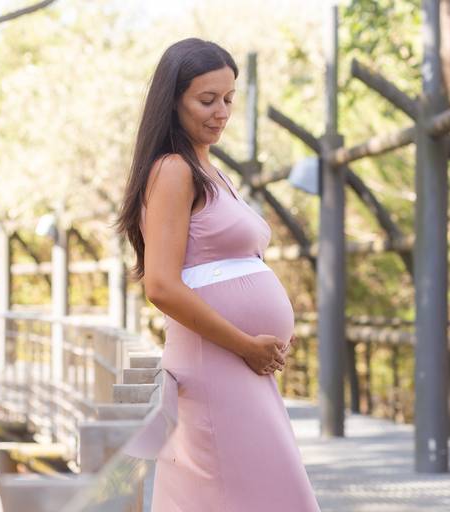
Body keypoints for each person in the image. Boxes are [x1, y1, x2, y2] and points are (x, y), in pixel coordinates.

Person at [115, 38, 321, 512]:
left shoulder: (209, 167)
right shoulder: (172, 170)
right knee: (262, 494)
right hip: (218, 362)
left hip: (234, 363)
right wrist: (246, 344)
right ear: (173, 101)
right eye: (206, 100)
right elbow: (161, 286)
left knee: (255, 493)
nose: (221, 112)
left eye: (228, 99)